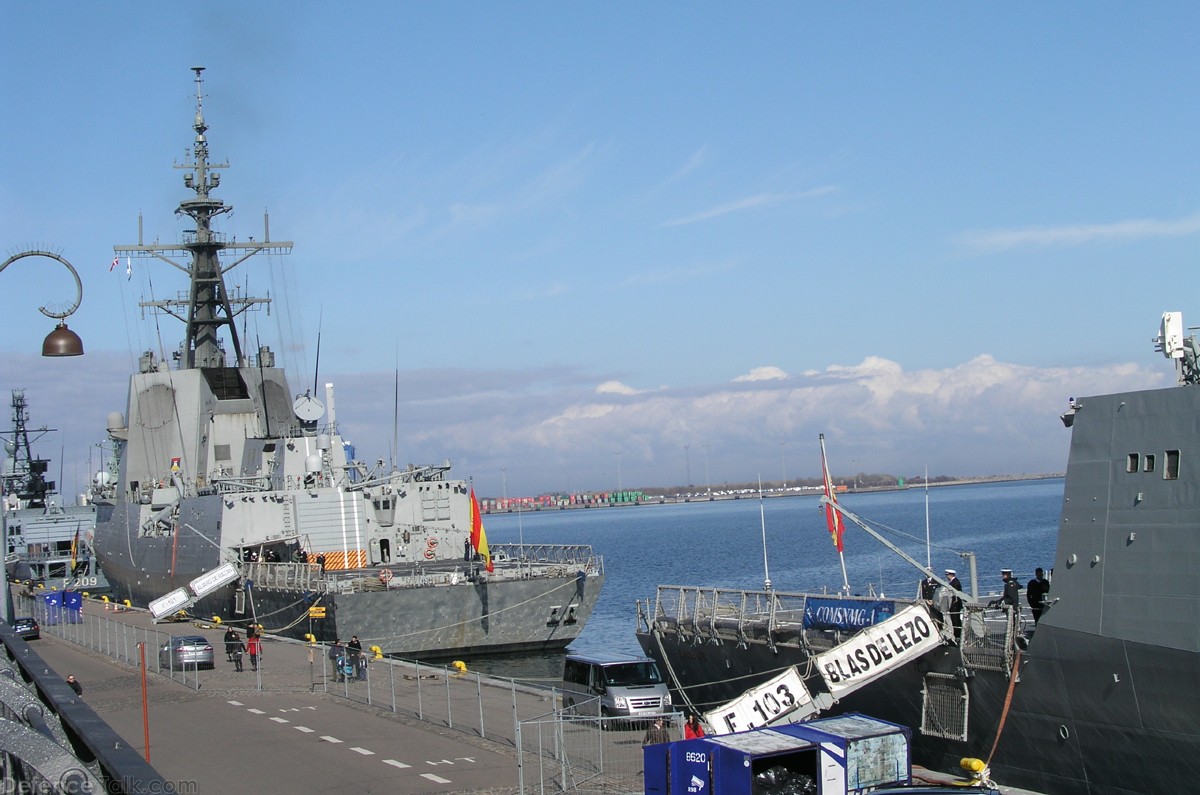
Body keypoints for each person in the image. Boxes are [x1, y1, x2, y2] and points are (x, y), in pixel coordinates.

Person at [944, 568, 964, 643]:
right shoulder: (953, 582)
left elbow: (955, 594)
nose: (947, 576)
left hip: (955, 605)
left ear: (950, 575)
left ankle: (957, 635)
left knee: (956, 620)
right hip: (953, 604)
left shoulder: (955, 582)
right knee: (954, 620)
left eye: (947, 575)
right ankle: (956, 634)